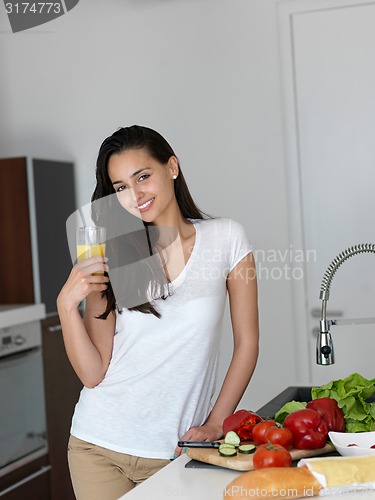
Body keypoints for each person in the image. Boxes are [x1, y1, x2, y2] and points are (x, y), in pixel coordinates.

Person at [57, 125, 259, 500]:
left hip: (176, 451)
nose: (134, 196)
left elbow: (247, 342)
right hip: (98, 446)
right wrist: (66, 306)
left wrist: (216, 422)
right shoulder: (110, 255)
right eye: (120, 188)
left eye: (143, 177)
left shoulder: (227, 238)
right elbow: (92, 373)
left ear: (172, 167)